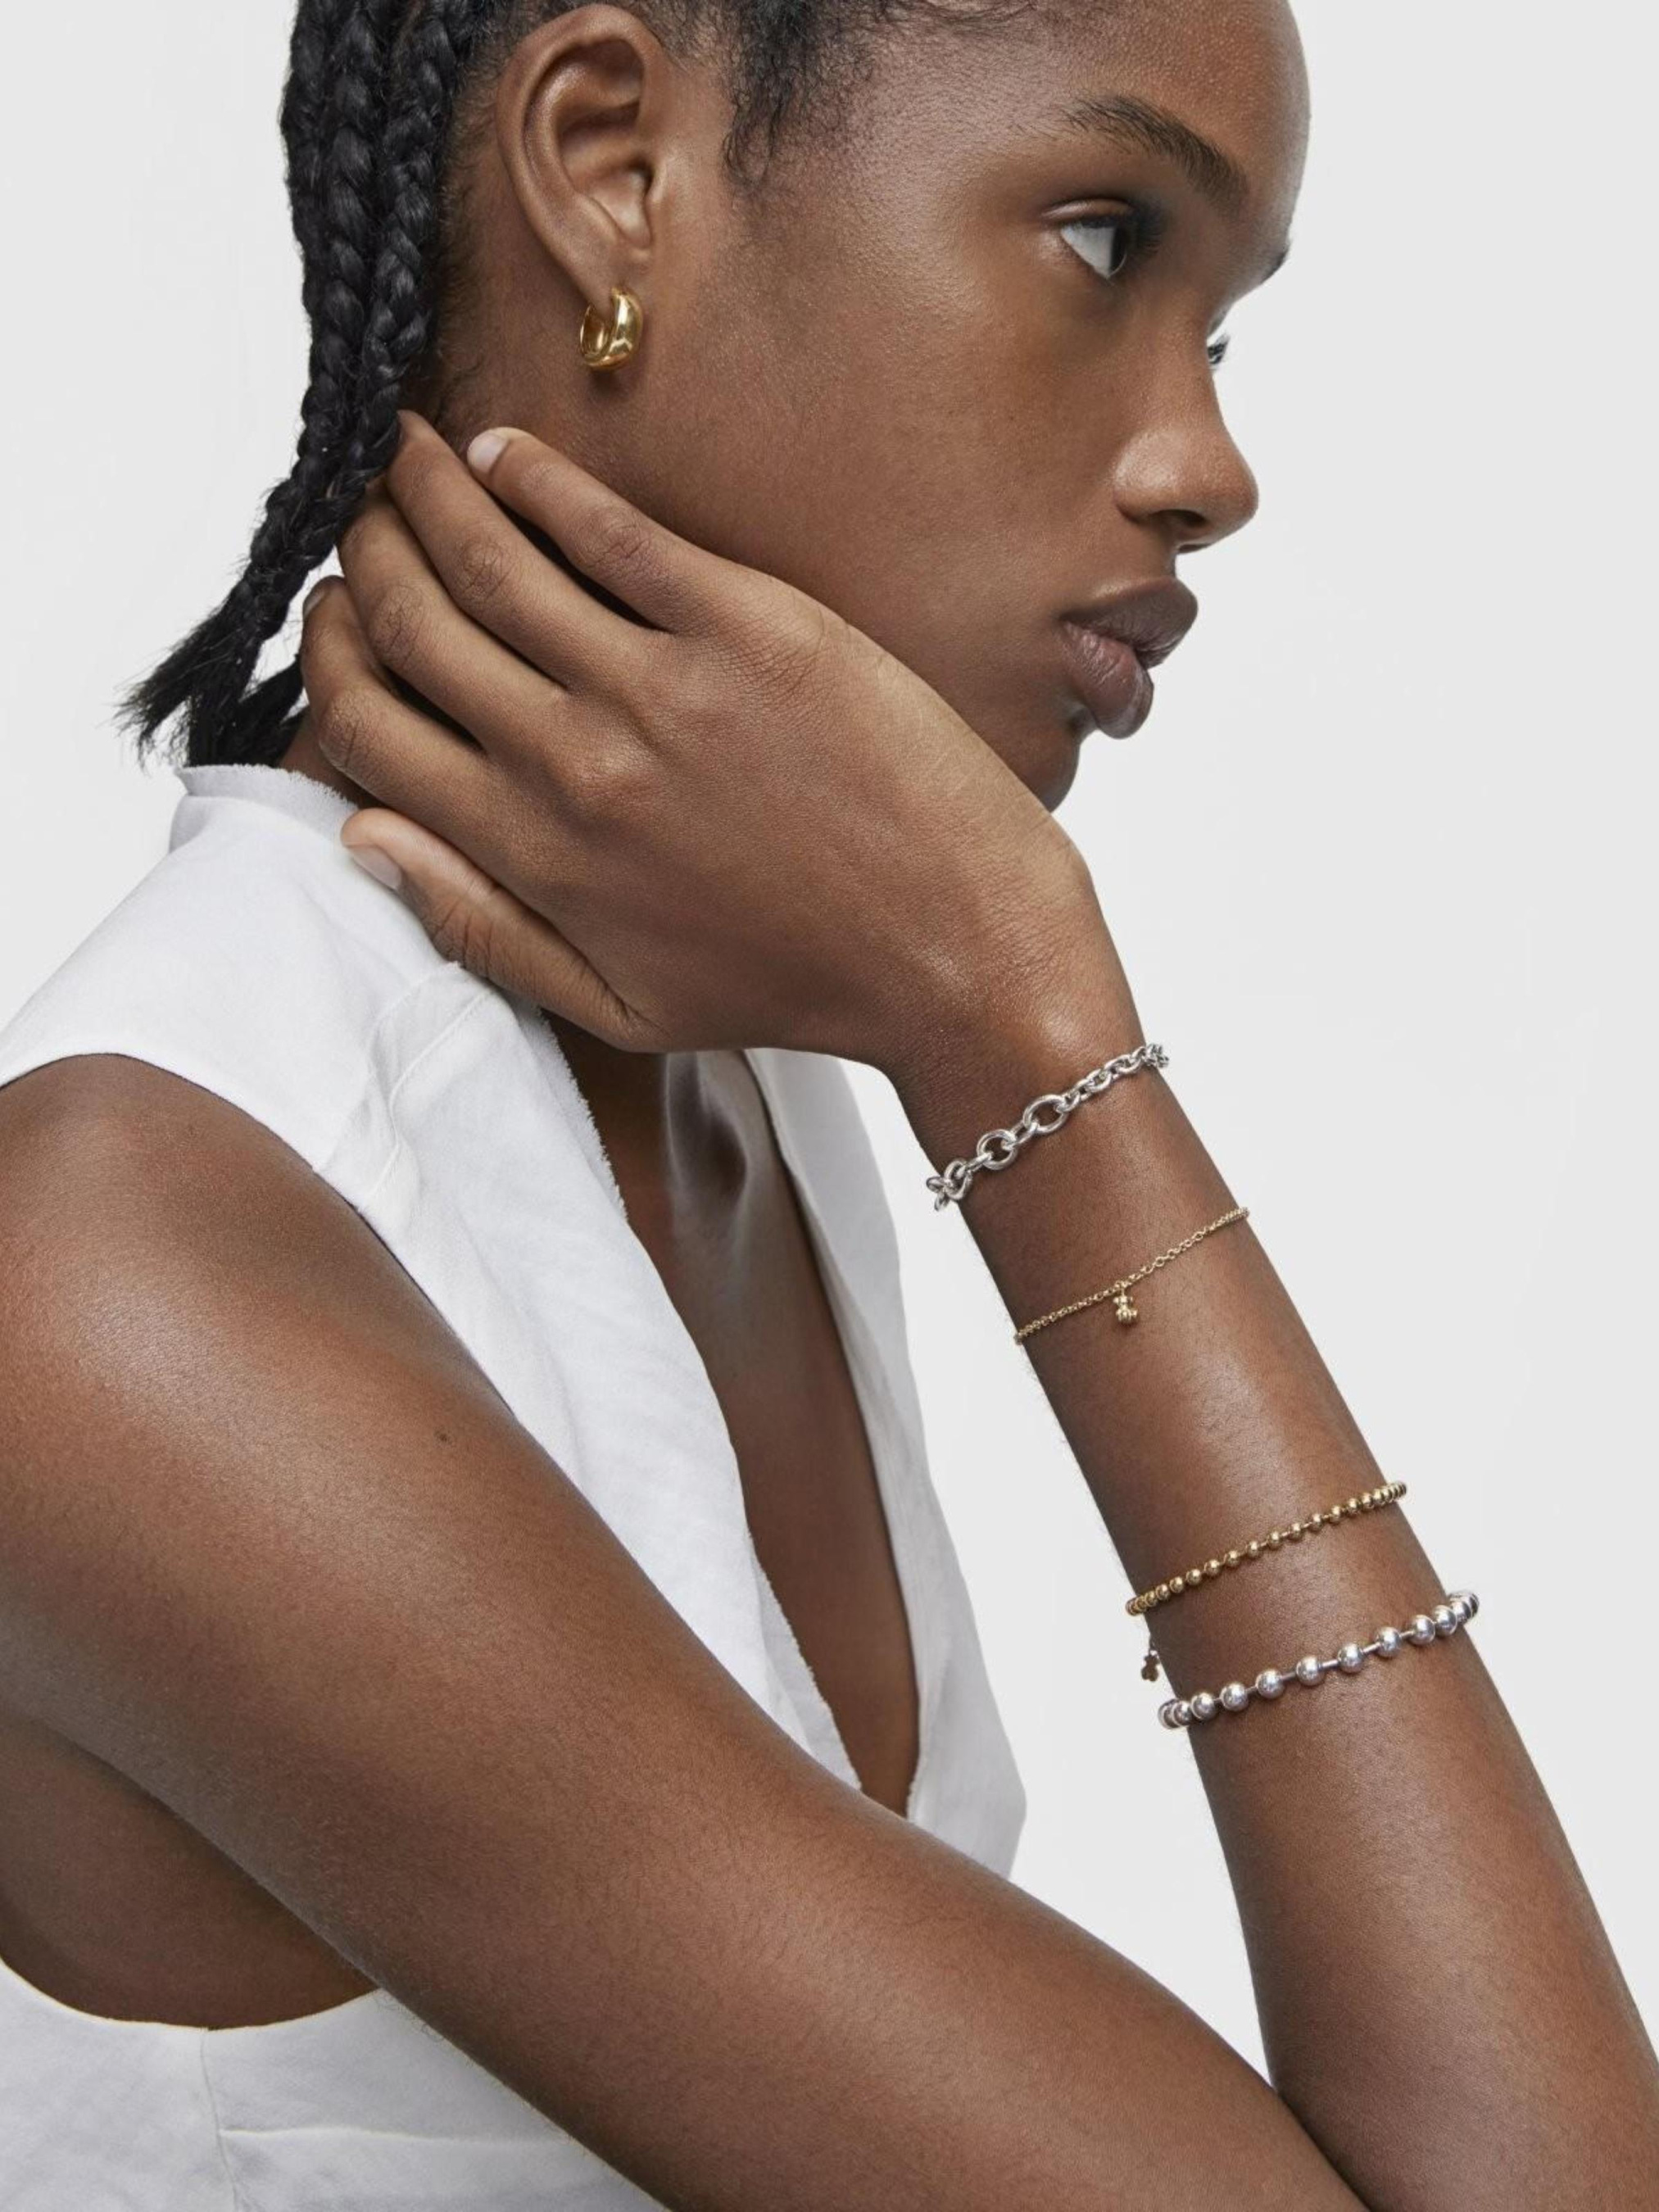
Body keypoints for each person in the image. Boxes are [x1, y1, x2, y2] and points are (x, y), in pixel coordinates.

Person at [0, 0, 1653, 2205]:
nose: (1209, 466)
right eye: (1104, 238)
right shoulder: (127, 1290)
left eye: (1221, 330)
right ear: (613, 166)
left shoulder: (730, 1054)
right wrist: (1026, 1027)